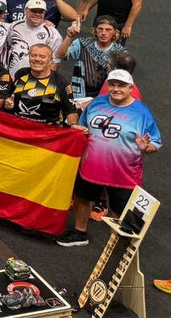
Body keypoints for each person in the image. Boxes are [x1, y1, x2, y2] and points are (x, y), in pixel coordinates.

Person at [58, 70, 159, 247]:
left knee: (121, 209)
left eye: (121, 85)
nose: (116, 88)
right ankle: (79, 233)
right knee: (82, 197)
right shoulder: (97, 103)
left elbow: (156, 142)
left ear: (130, 88)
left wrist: (146, 147)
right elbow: (83, 126)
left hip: (123, 173)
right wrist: (78, 130)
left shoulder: (142, 113)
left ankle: (115, 245)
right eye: (112, 84)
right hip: (91, 167)